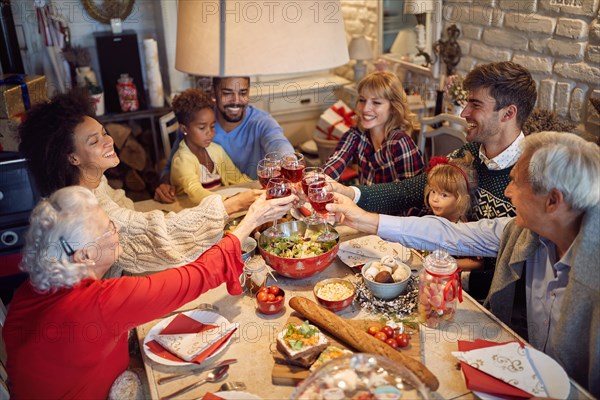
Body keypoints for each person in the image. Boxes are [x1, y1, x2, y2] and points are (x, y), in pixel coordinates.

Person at [327, 131, 600, 396]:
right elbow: (450, 234)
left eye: (516, 183)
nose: (507, 191)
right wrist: (363, 219)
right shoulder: (524, 232)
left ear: (552, 201)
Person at [2, 185, 294, 398]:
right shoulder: (100, 302)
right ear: (86, 254)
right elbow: (196, 277)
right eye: (108, 228)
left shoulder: (31, 289)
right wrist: (251, 220)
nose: (117, 230)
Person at [332, 61, 537, 299]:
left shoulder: (532, 175)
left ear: (508, 113)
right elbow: (413, 188)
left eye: (475, 104)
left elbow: (518, 270)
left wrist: (442, 275)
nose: (463, 113)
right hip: (445, 279)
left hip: (485, 300)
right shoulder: (468, 153)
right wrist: (352, 194)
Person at [18, 90, 261, 276]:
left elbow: (124, 207)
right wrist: (231, 205)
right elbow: (141, 229)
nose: (109, 141)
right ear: (72, 157)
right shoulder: (83, 206)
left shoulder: (95, 180)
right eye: (94, 141)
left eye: (104, 132)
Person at [155, 76, 294, 202]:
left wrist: (290, 162)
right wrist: (165, 186)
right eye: (227, 93)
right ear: (214, 93)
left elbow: (278, 143)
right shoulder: (196, 118)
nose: (236, 101)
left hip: (247, 199)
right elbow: (171, 168)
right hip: (211, 204)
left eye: (243, 93)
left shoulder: (262, 122)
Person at [322, 71, 424, 185]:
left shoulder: (400, 142)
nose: (365, 109)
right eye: (362, 100)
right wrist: (318, 180)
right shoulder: (356, 135)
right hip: (363, 202)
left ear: (394, 108)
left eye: (376, 102)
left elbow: (413, 192)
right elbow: (337, 160)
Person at [170, 88, 253, 204]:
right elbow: (195, 192)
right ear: (184, 129)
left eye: (212, 126)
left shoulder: (216, 150)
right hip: (193, 213)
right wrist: (230, 201)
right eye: (202, 128)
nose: (210, 132)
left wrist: (257, 187)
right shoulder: (182, 160)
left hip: (220, 208)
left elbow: (237, 179)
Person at [422, 154, 483, 273]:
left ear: (461, 199)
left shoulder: (465, 229)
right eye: (433, 191)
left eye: (444, 195)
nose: (434, 199)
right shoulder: (434, 216)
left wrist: (447, 264)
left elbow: (477, 263)